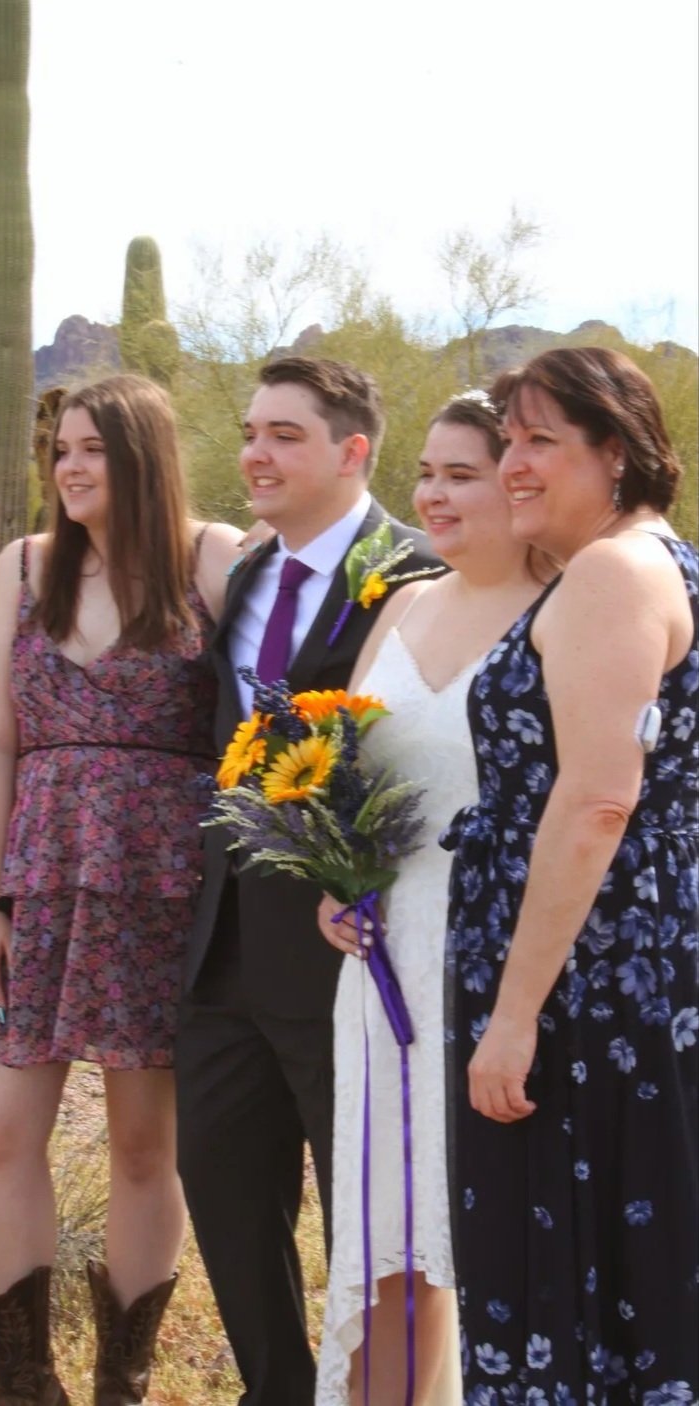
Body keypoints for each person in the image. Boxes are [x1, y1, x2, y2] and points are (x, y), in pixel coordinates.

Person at [0, 373, 244, 1406]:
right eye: (59, 449)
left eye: (92, 447)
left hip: (161, 887)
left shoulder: (212, 558)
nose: (68, 466)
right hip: (36, 878)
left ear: (145, 458)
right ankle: (26, 1386)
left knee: (140, 1142)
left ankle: (120, 1381)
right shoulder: (24, 566)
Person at [175, 356, 442, 1406]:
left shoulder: (415, 571)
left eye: (284, 433)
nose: (254, 452)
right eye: (250, 431)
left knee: (361, 1209)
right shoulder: (244, 573)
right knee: (226, 1192)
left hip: (350, 947)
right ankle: (277, 1390)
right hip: (223, 945)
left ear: (351, 450)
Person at [441, 347, 698, 1402]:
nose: (512, 462)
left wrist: (513, 1012)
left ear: (619, 451)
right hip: (606, 964)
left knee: (583, 1269)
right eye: (507, 438)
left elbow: (597, 799)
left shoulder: (612, 571)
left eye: (541, 438)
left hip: (584, 987)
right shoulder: (652, 563)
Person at [316, 392, 555, 1405]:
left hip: (504, 962)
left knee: (482, 1235)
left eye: (461, 472)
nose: (430, 494)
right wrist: (333, 885)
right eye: (425, 472)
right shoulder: (403, 603)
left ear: (521, 482)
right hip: (382, 965)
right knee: (386, 1238)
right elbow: (349, 773)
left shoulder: (570, 609)